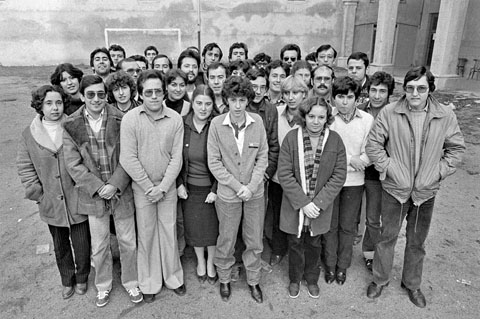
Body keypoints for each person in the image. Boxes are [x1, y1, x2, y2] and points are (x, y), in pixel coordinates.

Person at [366, 66, 465, 308]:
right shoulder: (390, 112)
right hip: (394, 189)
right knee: (386, 237)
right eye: (410, 88)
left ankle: (411, 284)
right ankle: (380, 279)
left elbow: (456, 149)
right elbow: (374, 145)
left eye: (421, 88)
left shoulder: (444, 115)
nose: (415, 93)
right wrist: (389, 168)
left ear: (430, 89)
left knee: (416, 242)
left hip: (425, 192)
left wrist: (437, 173)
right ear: (404, 90)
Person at [62, 75, 141, 307]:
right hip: (93, 195)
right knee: (99, 245)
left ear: (105, 94)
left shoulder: (121, 118)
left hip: (120, 191)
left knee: (128, 241)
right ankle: (103, 286)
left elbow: (129, 155)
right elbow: (73, 165)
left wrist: (115, 184)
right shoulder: (71, 124)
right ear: (81, 96)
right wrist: (98, 187)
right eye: (90, 95)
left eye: (100, 94)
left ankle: (131, 282)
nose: (96, 99)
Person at [17, 85, 91, 300]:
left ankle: (82, 276)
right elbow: (25, 166)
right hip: (51, 201)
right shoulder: (29, 134)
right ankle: (67, 279)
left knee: (82, 243)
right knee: (60, 245)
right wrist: (39, 194)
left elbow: (87, 158)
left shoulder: (75, 127)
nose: (55, 108)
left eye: (58, 102)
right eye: (49, 103)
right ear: (40, 106)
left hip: (77, 198)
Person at [120, 70, 185, 304]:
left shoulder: (175, 120)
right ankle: (149, 282)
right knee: (146, 235)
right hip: (143, 190)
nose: (154, 96)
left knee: (169, 232)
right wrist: (149, 187)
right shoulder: (130, 119)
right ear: (140, 94)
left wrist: (164, 187)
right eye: (149, 92)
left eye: (158, 91)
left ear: (164, 91)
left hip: (166, 189)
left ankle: (174, 278)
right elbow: (127, 158)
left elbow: (177, 158)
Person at [207, 76, 268, 303]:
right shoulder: (216, 125)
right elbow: (214, 162)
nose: (238, 105)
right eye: (233, 100)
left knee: (254, 239)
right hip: (228, 195)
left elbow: (263, 156)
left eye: (242, 100)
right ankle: (224, 278)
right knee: (227, 238)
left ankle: (253, 281)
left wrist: (251, 187)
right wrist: (236, 186)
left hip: (254, 194)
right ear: (227, 100)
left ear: (248, 101)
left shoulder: (257, 122)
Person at [278, 96, 346, 299]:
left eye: (321, 117)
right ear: (304, 116)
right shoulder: (292, 137)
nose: (316, 121)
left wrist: (317, 203)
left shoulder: (335, 140)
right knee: (295, 243)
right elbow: (285, 174)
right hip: (296, 205)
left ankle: (312, 278)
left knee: (315, 244)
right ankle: (294, 278)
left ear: (327, 118)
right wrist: (303, 203)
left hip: (319, 206)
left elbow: (339, 174)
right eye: (311, 116)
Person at [323, 76, 373, 286]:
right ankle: (330, 263)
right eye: (340, 97)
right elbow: (326, 152)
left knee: (347, 226)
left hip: (354, 182)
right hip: (331, 181)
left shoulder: (367, 120)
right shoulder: (328, 119)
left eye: (349, 97)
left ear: (357, 98)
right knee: (330, 225)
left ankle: (342, 266)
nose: (344, 102)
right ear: (333, 98)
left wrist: (355, 161)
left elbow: (369, 152)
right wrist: (350, 159)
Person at [177, 85, 219, 285]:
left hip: (211, 188)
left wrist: (215, 190)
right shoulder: (182, 125)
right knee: (194, 228)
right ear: (192, 104)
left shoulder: (218, 125)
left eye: (208, 104)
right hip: (189, 188)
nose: (203, 108)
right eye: (199, 103)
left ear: (213, 105)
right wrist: (179, 184)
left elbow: (226, 161)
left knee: (212, 230)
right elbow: (174, 157)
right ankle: (200, 262)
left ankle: (211, 263)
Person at [269, 75, 309, 266]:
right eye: (286, 93)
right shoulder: (276, 113)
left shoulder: (310, 115)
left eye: (296, 93)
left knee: (299, 215)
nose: (291, 97)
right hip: (278, 176)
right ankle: (278, 249)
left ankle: (299, 253)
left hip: (302, 178)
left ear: (304, 94)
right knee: (278, 213)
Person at [357, 71, 395, 272]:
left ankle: (370, 252)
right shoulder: (359, 110)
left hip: (376, 173)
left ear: (389, 94)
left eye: (382, 91)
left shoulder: (393, 114)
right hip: (355, 170)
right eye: (373, 90)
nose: (377, 95)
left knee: (373, 217)